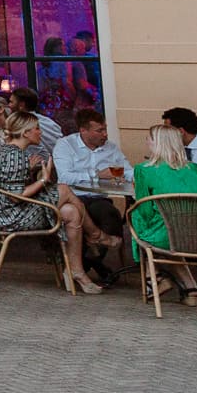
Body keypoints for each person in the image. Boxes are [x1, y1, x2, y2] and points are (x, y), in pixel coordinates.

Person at [0, 111, 108, 294]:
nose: (40, 132)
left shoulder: (12, 152)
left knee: (71, 212)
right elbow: (15, 196)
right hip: (11, 217)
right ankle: (96, 235)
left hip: (11, 211)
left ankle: (76, 271)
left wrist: (30, 169)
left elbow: (12, 184)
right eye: (37, 128)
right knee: (64, 189)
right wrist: (43, 179)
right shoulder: (14, 156)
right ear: (25, 133)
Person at [131, 123, 197, 306]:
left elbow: (145, 211)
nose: (146, 141)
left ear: (158, 143)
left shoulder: (144, 170)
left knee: (137, 219)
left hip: (164, 235)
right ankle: (191, 290)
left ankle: (154, 277)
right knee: (173, 231)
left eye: (149, 138)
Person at [53, 108, 132, 279]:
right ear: (83, 130)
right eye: (99, 130)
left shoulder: (110, 148)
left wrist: (140, 176)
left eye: (105, 129)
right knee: (79, 219)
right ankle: (88, 267)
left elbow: (126, 170)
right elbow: (64, 177)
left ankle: (87, 264)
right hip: (74, 198)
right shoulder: (66, 145)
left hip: (99, 198)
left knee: (112, 217)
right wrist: (96, 175)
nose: (105, 134)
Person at [9, 89, 63, 161]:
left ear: (21, 105)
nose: (9, 105)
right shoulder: (49, 121)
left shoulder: (22, 126)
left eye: (11, 102)